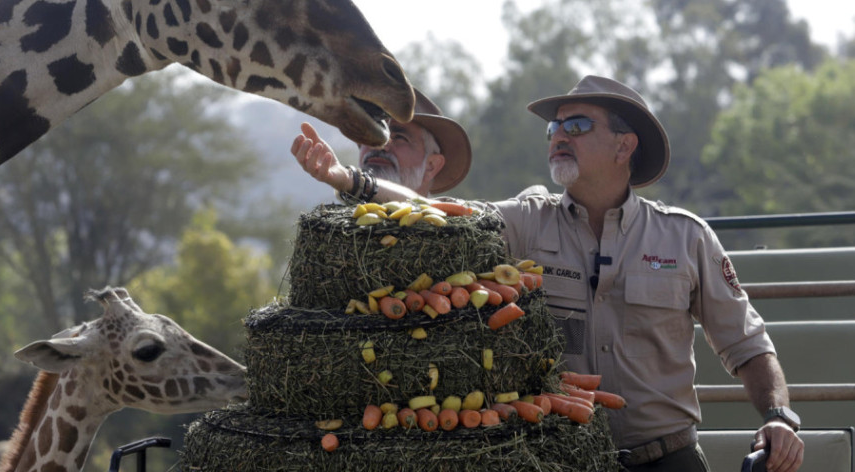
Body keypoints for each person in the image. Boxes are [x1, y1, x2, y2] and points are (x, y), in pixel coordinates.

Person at [290, 76, 804, 472]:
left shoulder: (685, 237)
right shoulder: (526, 222)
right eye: (554, 127)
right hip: (561, 457)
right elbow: (442, 214)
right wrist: (346, 179)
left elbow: (748, 346)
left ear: (625, 146)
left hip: (667, 460)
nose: (559, 136)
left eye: (577, 126)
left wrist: (778, 419)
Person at [291, 89, 471, 201]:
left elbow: (424, 208)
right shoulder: (337, 235)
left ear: (431, 166)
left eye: (400, 137)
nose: (380, 146)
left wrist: (350, 180)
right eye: (373, 134)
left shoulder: (462, 224)